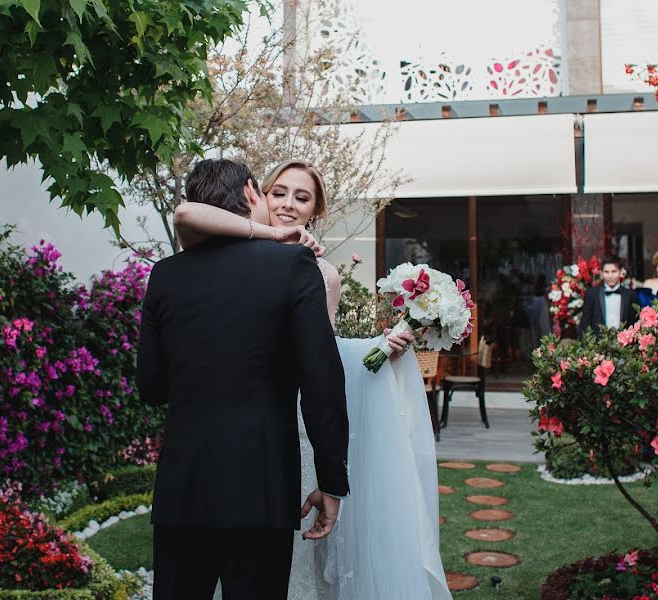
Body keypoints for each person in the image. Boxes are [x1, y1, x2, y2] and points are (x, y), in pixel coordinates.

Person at [173, 160, 452, 600]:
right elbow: (187, 215)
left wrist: (377, 347)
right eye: (278, 192)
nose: (287, 204)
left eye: (301, 198)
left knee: (287, 567)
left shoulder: (322, 274)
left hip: (287, 426)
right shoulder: (220, 246)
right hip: (224, 430)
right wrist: (272, 235)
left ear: (315, 211)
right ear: (256, 196)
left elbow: (320, 359)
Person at [138, 159, 350, 599]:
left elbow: (151, 387)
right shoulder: (294, 265)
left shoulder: (165, 275)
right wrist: (331, 480)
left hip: (183, 490)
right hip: (262, 489)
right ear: (253, 193)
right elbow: (321, 383)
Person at [578, 255, 638, 337]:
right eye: (606, 272)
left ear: (621, 272)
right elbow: (585, 323)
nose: (610, 276)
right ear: (601, 273)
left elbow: (633, 323)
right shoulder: (592, 294)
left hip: (624, 345)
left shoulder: (630, 295)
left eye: (614, 271)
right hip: (597, 345)